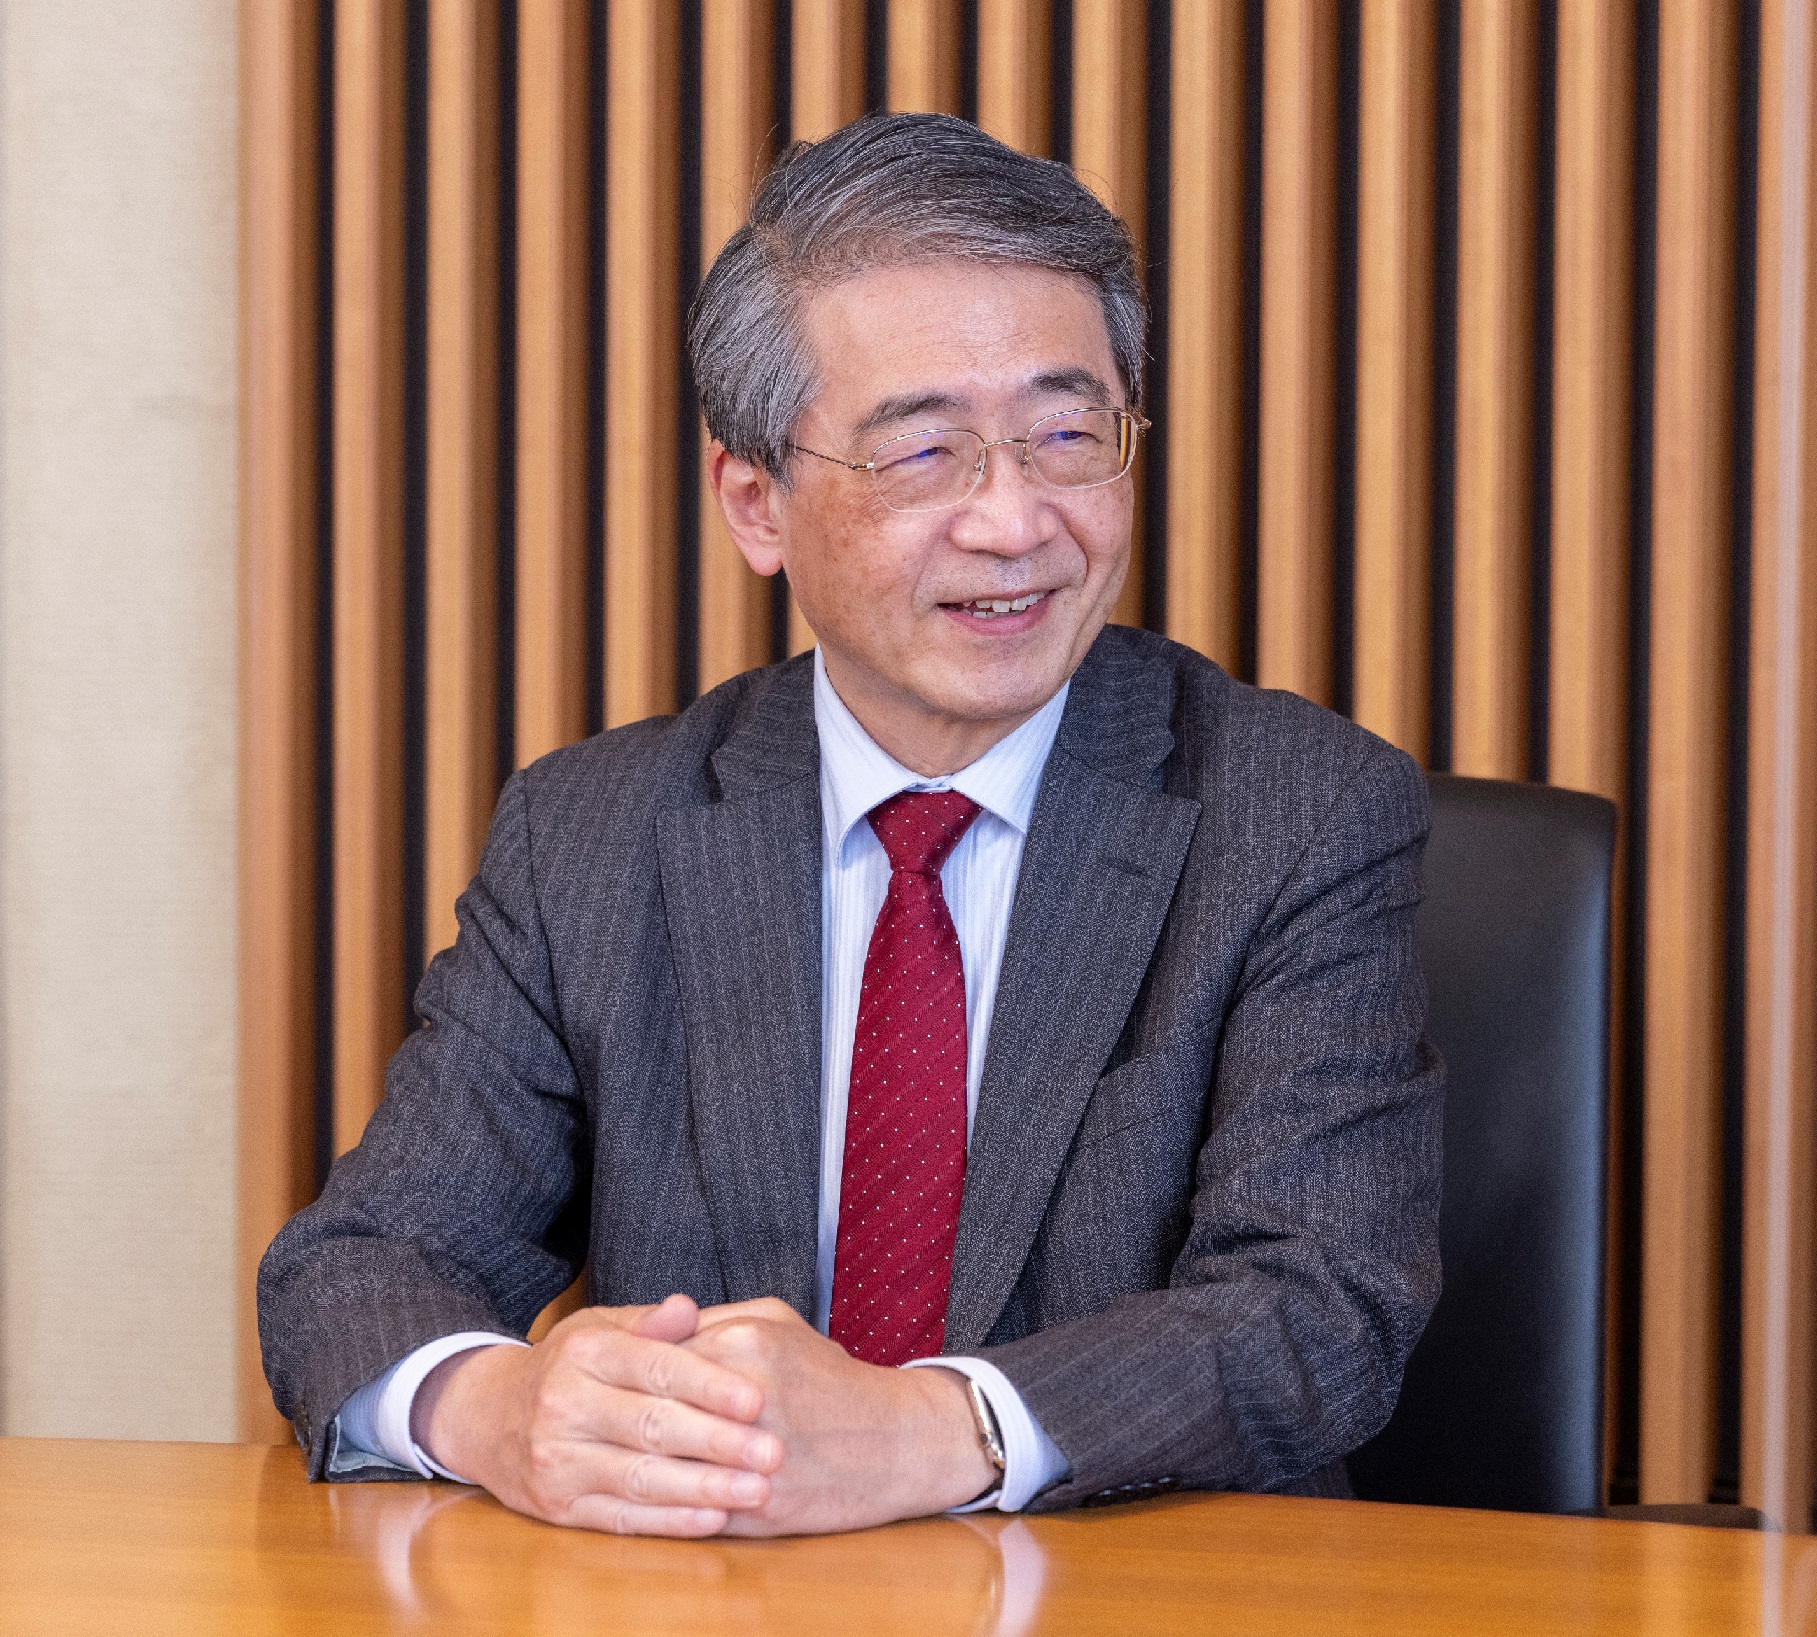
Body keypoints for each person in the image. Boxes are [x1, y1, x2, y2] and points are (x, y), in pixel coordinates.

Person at [258, 111, 1442, 1539]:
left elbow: (1318, 1308)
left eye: (1067, 436)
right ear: (756, 502)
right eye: (925, 453)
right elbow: (360, 1264)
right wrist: (502, 1407)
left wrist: (929, 1431)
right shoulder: (593, 831)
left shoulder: (1298, 812)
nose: (1014, 522)